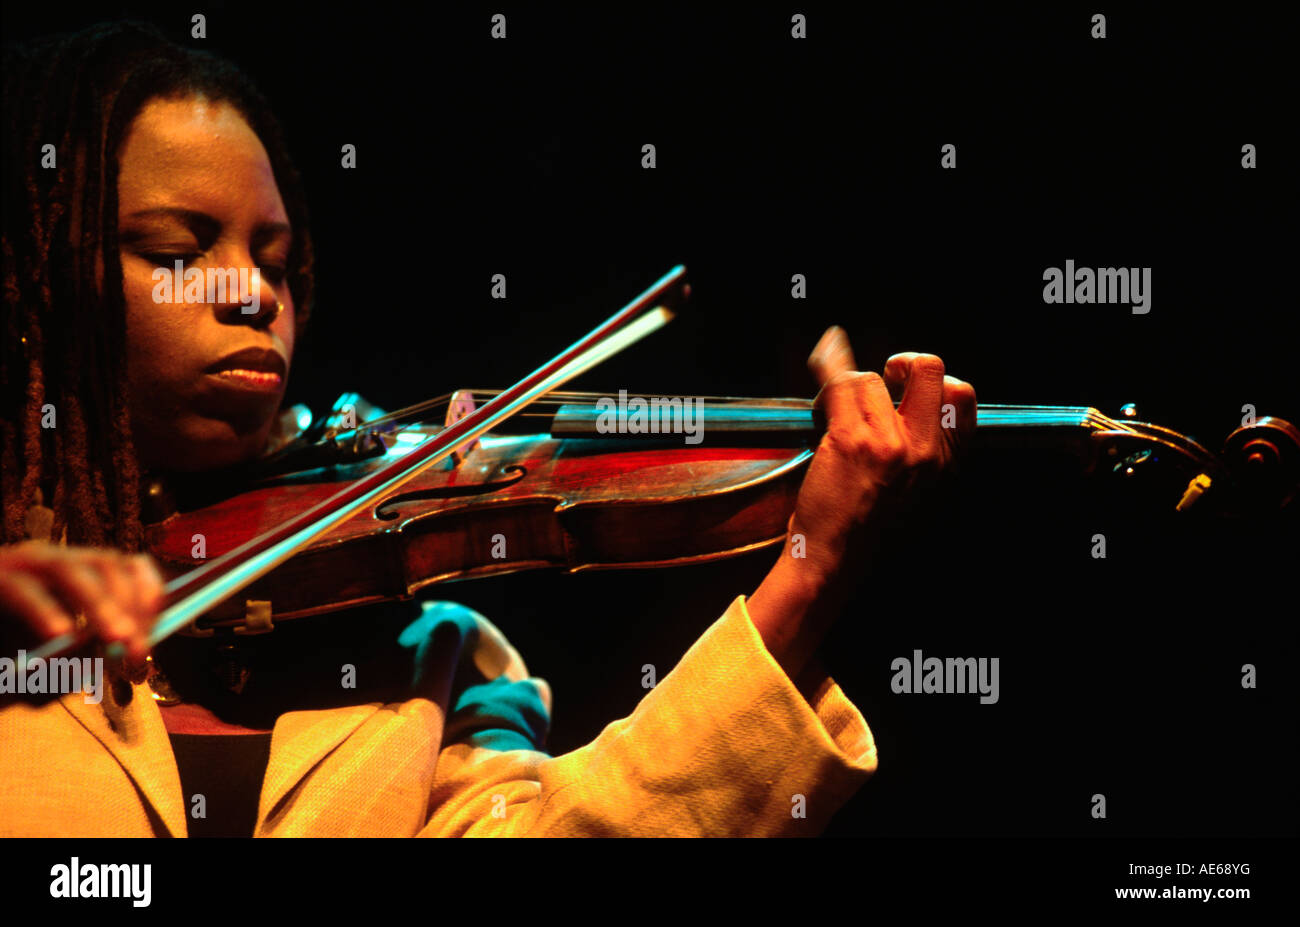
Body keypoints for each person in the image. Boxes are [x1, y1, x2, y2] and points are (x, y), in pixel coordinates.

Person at [0, 22, 976, 836]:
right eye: (180, 251)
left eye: (275, 258)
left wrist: (812, 572)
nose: (252, 293)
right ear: (38, 279)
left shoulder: (426, 650)